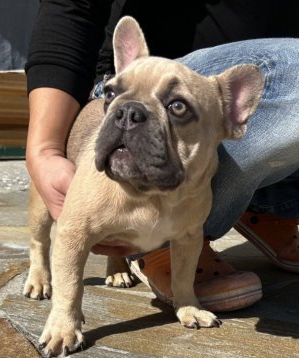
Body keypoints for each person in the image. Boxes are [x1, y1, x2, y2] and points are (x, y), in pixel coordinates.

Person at [25, 0, 299, 311]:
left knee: (188, 227)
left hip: (219, 110)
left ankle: (266, 205)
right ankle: (60, 252)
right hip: (192, 75)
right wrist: (44, 148)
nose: (128, 117)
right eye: (116, 94)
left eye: (176, 107)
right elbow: (73, 5)